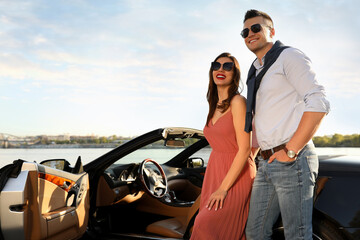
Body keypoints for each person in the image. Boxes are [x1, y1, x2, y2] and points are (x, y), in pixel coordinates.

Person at [241, 9, 330, 240]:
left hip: (293, 160)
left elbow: (318, 101)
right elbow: (262, 117)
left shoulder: (288, 56)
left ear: (271, 31)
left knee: (297, 235)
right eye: (244, 31)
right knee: (255, 232)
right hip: (266, 162)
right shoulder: (255, 71)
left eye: (256, 28)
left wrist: (291, 150)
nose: (249, 33)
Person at [191, 52, 256, 240]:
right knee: (210, 226)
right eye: (216, 65)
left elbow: (245, 149)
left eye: (227, 66)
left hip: (237, 174)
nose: (221, 69)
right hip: (215, 172)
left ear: (235, 74)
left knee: (205, 223)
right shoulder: (214, 105)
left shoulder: (238, 102)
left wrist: (223, 189)